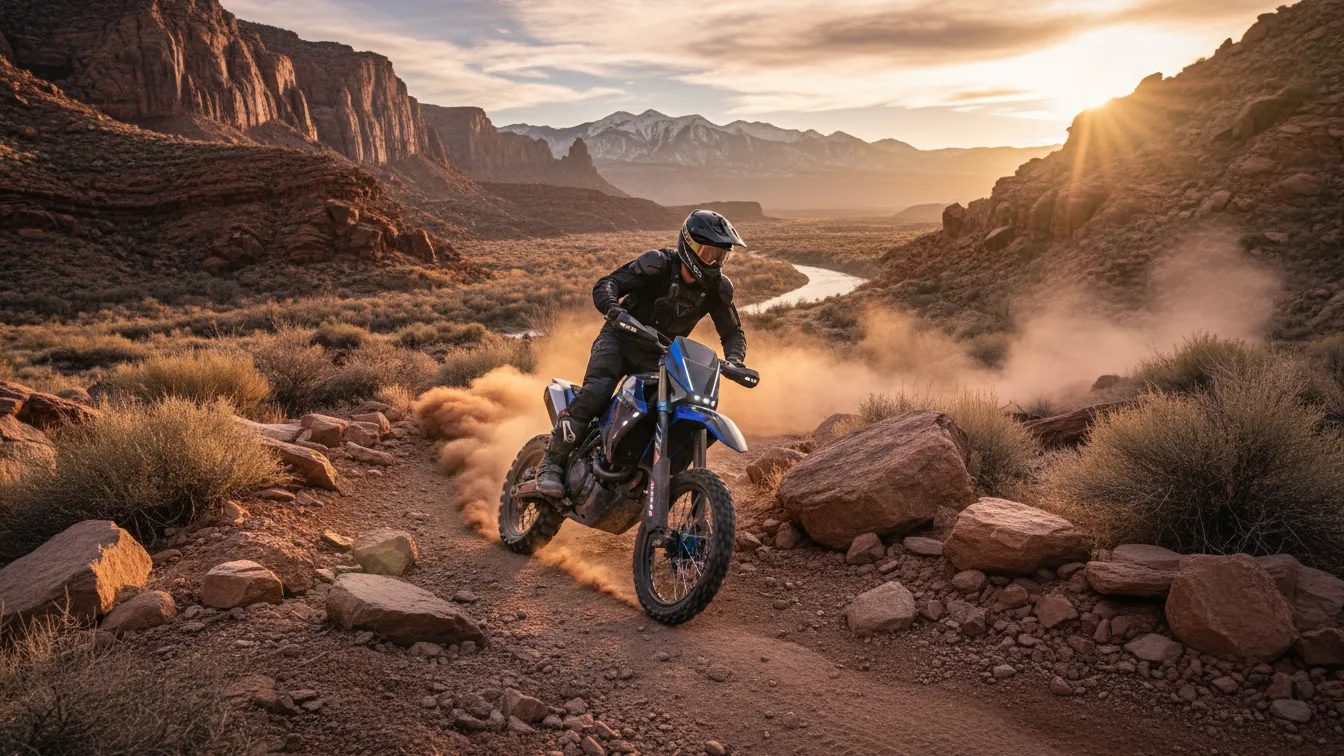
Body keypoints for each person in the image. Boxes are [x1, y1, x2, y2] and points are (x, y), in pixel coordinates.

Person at [536, 209, 749, 497]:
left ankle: (641, 472)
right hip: (620, 340)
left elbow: (732, 331)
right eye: (708, 252)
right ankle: (550, 464)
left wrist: (735, 360)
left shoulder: (717, 289)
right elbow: (608, 284)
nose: (714, 261)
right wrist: (615, 311)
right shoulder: (657, 265)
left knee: (673, 409)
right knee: (598, 392)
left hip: (660, 356)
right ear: (688, 244)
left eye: (720, 256)